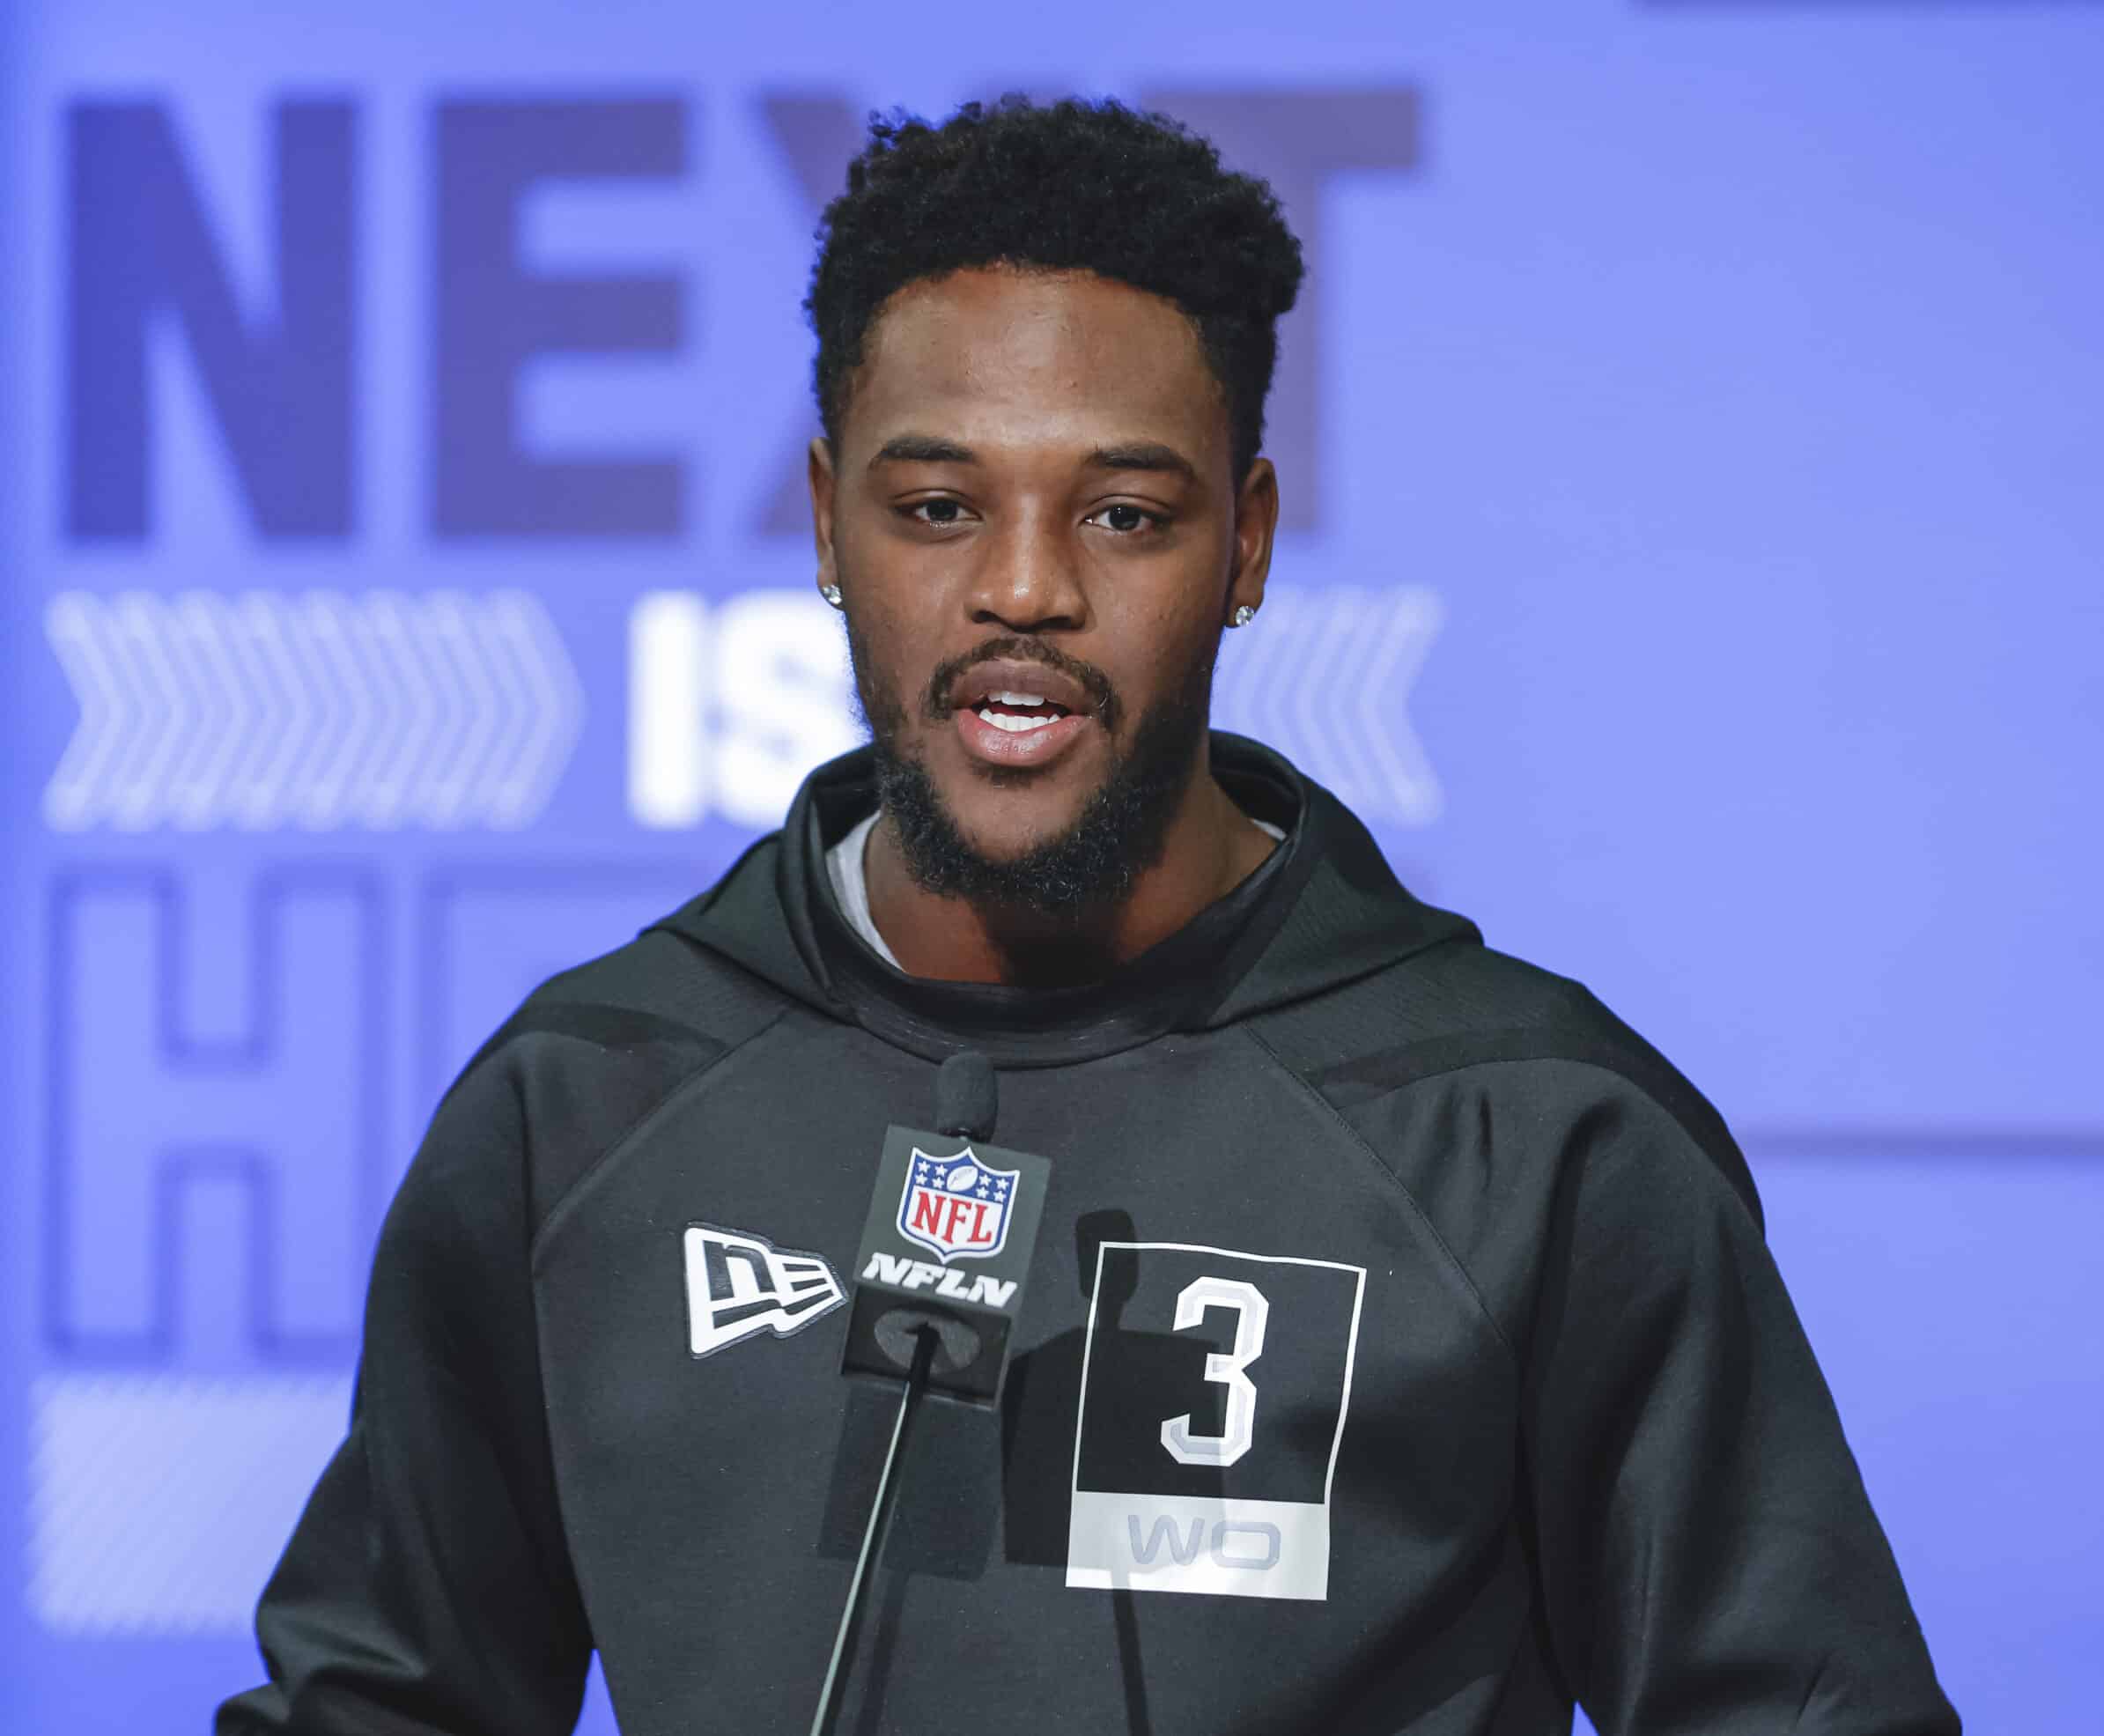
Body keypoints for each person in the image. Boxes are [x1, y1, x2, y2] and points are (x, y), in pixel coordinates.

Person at [218, 97, 1959, 1735]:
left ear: (1248, 544)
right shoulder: (585, 1100)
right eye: (935, 507)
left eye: (1123, 512)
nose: (1025, 586)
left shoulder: (1532, 1132)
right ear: (826, 520)